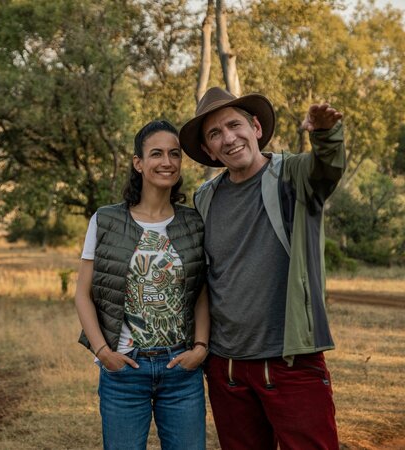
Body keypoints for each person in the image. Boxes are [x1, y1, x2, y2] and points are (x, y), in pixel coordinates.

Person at [178, 86, 344, 450]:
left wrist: (324, 135)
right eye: (215, 134)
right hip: (227, 369)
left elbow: (327, 166)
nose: (229, 138)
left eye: (235, 125)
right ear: (208, 150)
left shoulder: (294, 175)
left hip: (291, 361)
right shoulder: (205, 197)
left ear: (255, 127)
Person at [75, 120, 210, 450]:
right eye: (156, 154)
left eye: (174, 154)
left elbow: (201, 293)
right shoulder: (105, 220)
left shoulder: (193, 222)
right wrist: (104, 353)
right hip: (124, 371)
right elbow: (82, 294)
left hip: (181, 370)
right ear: (138, 163)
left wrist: (200, 349)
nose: (167, 162)